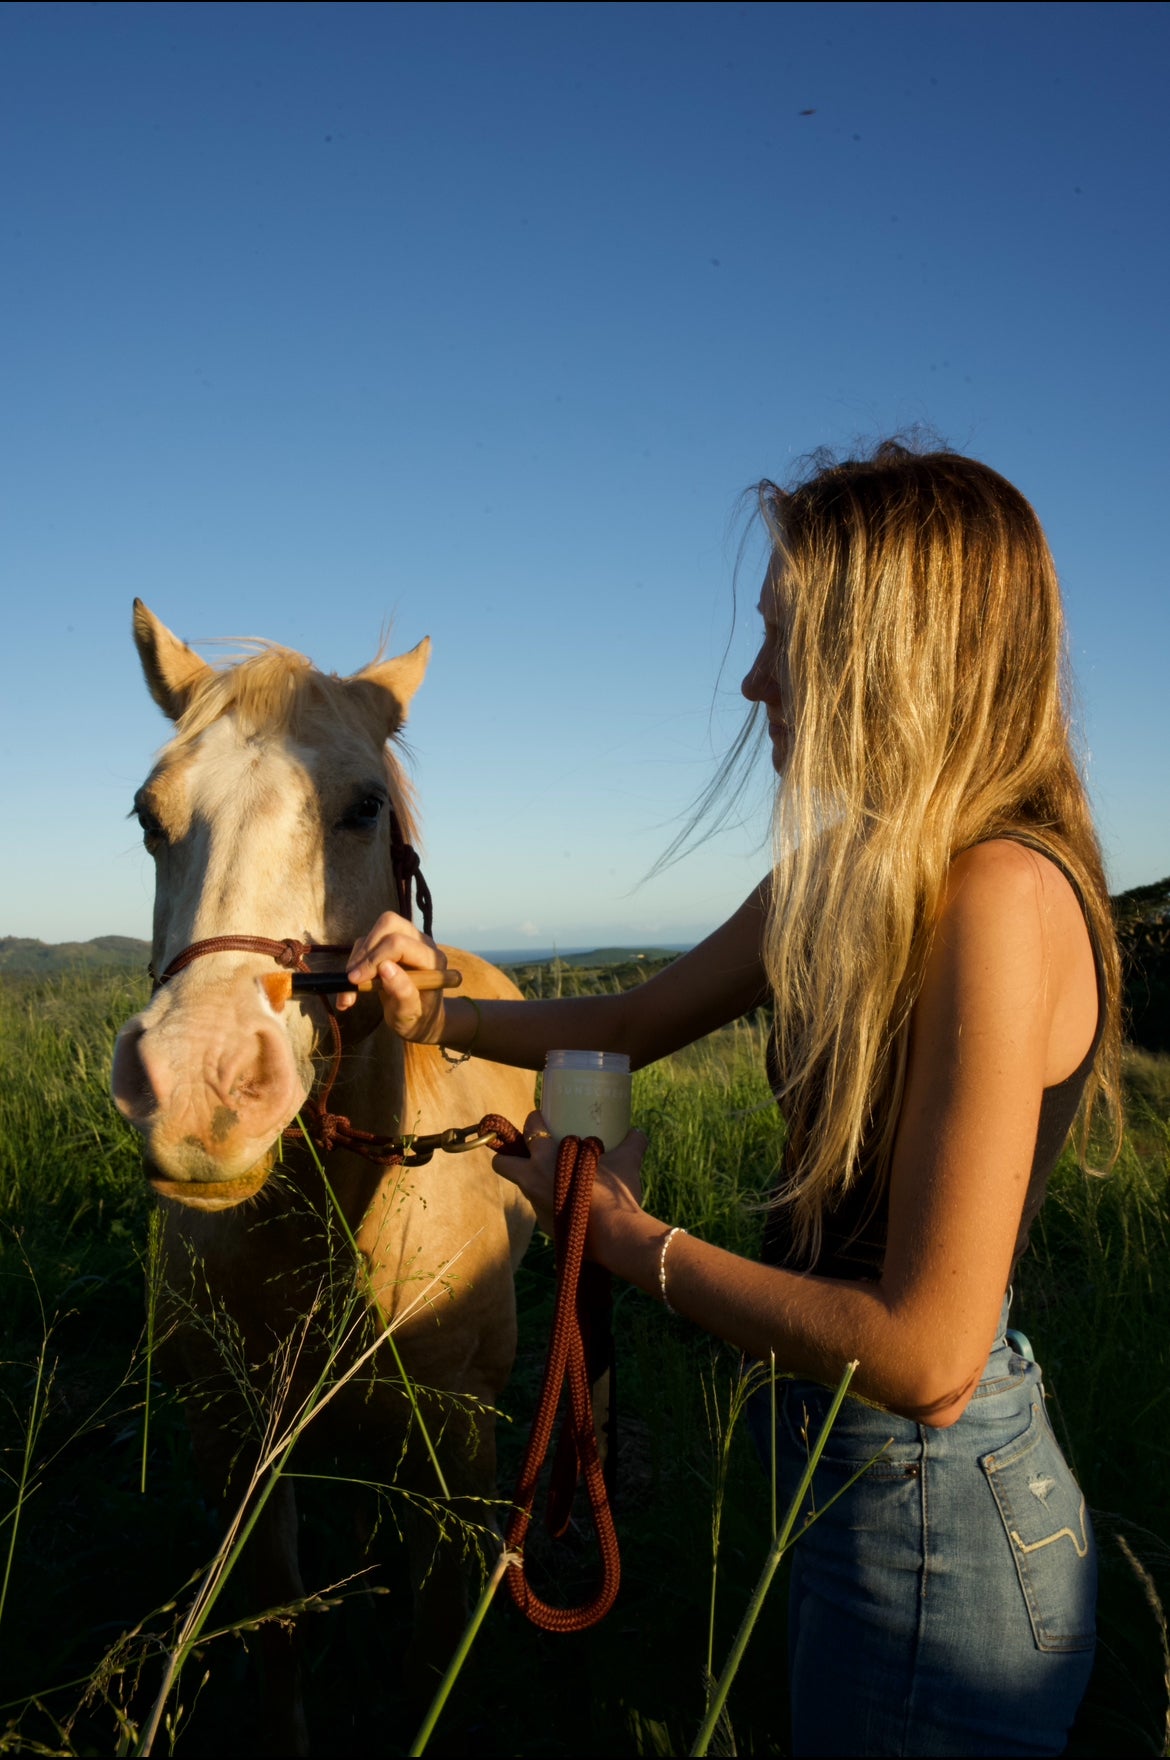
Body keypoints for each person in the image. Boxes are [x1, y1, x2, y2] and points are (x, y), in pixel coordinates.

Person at [338, 442, 1119, 1758]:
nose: (751, 679)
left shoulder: (994, 894)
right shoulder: (853, 875)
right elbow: (633, 1022)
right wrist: (439, 1010)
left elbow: (925, 1356)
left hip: (934, 1508)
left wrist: (625, 1242)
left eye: (784, 639)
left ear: (896, 651)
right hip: (859, 1479)